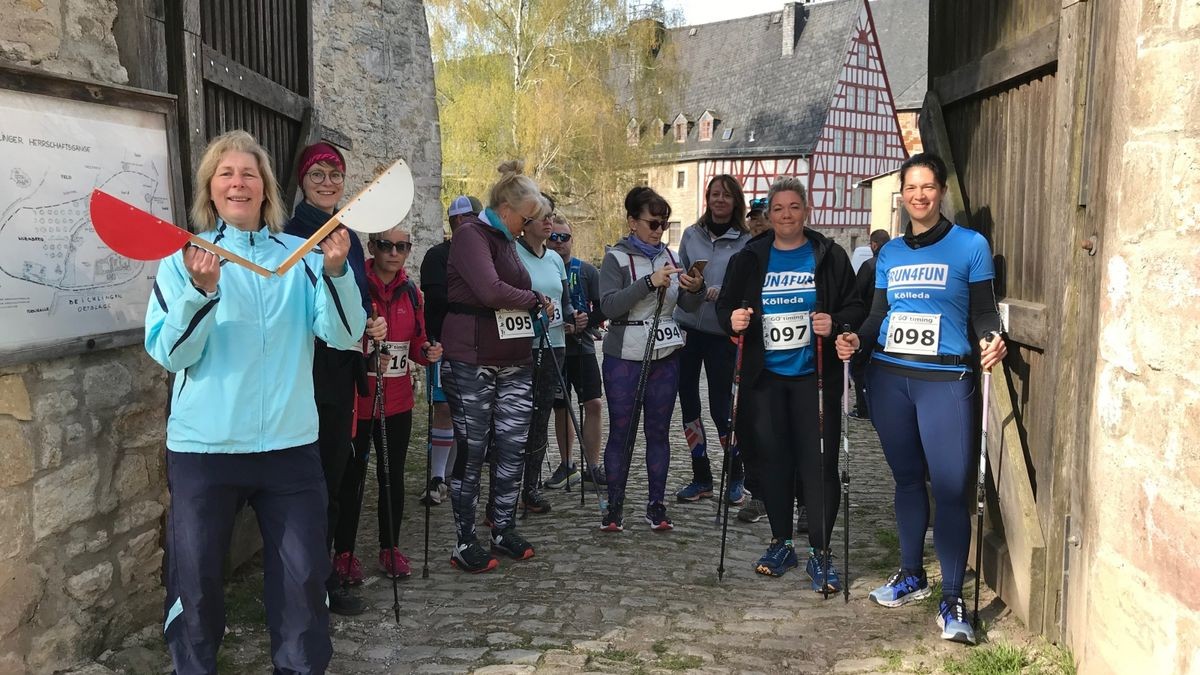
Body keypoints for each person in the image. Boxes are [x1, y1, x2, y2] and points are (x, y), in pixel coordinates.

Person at [147, 130, 367, 673]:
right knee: (195, 589)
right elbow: (170, 353)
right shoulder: (183, 259)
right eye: (226, 174)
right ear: (211, 188)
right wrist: (200, 293)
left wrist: (337, 274)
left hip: (290, 448)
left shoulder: (301, 258)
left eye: (249, 173)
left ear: (266, 188)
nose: (238, 182)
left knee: (301, 585)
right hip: (205, 450)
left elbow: (343, 334)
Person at [835, 152, 1007, 645]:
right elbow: (876, 317)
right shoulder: (888, 255)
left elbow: (982, 313)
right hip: (891, 380)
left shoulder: (970, 245)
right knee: (908, 479)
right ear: (903, 195)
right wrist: (853, 337)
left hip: (945, 380)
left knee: (951, 488)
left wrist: (991, 337)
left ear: (941, 191)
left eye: (928, 187)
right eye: (911, 188)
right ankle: (911, 573)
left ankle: (952, 597)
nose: (919, 195)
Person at [717, 176, 864, 591]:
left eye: (793, 207)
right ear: (768, 215)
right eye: (778, 209)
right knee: (772, 463)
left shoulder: (828, 254)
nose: (785, 215)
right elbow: (726, 306)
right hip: (764, 382)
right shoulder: (749, 258)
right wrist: (732, 319)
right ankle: (781, 542)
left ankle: (820, 550)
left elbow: (854, 305)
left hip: (813, 379)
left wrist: (835, 322)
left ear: (806, 210)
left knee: (818, 465)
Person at [285, 142, 385, 615]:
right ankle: (309, 582)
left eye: (336, 174)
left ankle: (322, 575)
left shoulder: (349, 234)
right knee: (314, 478)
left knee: (335, 474)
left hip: (343, 373)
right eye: (318, 174)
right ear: (302, 181)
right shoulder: (291, 237)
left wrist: (372, 323)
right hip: (309, 372)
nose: (328, 182)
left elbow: (355, 301)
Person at [442, 161, 550, 572]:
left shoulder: (507, 240)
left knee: (512, 445)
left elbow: (515, 290)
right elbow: (489, 291)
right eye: (527, 218)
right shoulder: (472, 234)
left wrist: (535, 300)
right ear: (505, 208)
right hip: (472, 357)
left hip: (513, 358)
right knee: (473, 450)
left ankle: (501, 526)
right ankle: (464, 539)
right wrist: (533, 299)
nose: (529, 226)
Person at [334, 226, 443, 582]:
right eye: (386, 245)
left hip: (397, 403)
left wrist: (428, 353)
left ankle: (390, 547)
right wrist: (367, 355)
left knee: (391, 477)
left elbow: (417, 343)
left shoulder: (412, 292)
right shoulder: (355, 285)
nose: (394, 253)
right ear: (371, 247)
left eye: (402, 246)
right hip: (361, 402)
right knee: (352, 479)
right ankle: (345, 552)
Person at [599, 187, 705, 532]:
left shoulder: (671, 257)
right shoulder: (615, 258)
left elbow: (685, 308)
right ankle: (614, 506)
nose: (659, 229)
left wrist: (695, 289)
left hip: (665, 355)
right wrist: (647, 282)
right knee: (621, 432)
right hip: (625, 356)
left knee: (658, 432)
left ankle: (656, 506)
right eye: (652, 223)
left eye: (664, 223)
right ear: (632, 222)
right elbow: (610, 306)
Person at [673, 175, 752, 505]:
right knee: (689, 406)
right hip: (689, 328)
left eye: (727, 195)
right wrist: (689, 286)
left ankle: (735, 474)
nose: (720, 200)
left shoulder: (746, 241)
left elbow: (749, 287)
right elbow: (681, 279)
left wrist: (726, 296)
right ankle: (701, 475)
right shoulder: (691, 235)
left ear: (736, 201)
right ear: (707, 198)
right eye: (714, 194)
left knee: (722, 408)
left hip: (723, 334)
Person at [419, 195, 482, 506]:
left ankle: (458, 473)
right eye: (467, 221)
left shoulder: (485, 254)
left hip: (477, 344)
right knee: (444, 409)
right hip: (443, 342)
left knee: (467, 414)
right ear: (456, 223)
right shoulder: (436, 255)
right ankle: (438, 476)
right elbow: (438, 302)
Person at [514, 195, 572, 513]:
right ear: (525, 221)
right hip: (522, 344)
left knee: (541, 415)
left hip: (555, 343)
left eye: (551, 216)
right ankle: (506, 488)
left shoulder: (553, 259)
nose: (549, 222)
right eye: (542, 216)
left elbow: (563, 299)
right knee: (517, 418)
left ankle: (531, 486)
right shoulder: (513, 253)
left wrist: (574, 317)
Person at [547, 215, 606, 488]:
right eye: (554, 237)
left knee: (593, 403)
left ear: (572, 240)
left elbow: (602, 308)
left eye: (564, 237)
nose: (559, 242)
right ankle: (567, 463)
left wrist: (586, 322)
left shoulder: (587, 271)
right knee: (561, 407)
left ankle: (592, 466)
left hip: (582, 348)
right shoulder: (544, 268)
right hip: (555, 348)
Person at [849, 229, 891, 420]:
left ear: (873, 245)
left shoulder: (869, 266)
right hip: (890, 325)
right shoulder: (894, 264)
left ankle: (864, 407)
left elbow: (855, 294)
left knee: (859, 366)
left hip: (868, 323)